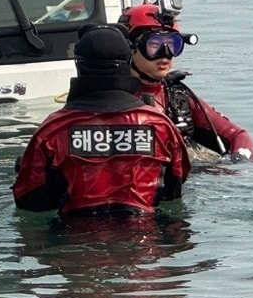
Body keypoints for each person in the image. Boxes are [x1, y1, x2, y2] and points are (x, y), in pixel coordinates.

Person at [13, 25, 191, 218]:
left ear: (79, 65)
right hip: (145, 239)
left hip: (76, 241)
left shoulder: (53, 129)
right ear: (127, 62)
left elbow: (29, 201)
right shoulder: (160, 125)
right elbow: (175, 188)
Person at [117, 2, 253, 161]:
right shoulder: (111, 97)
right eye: (155, 45)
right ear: (130, 47)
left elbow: (238, 136)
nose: (166, 55)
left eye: (172, 45)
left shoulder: (177, 97)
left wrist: (239, 160)